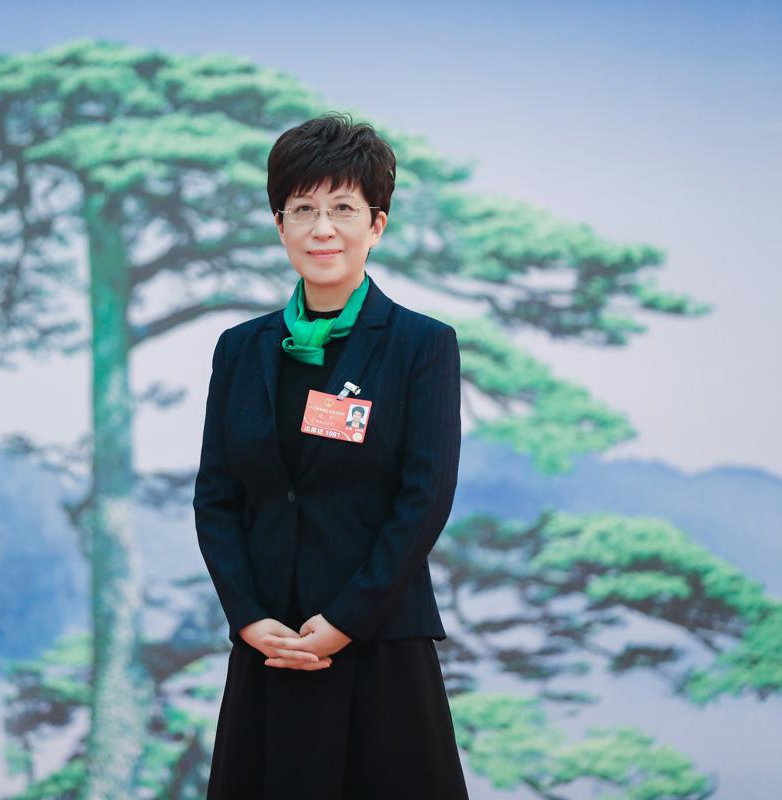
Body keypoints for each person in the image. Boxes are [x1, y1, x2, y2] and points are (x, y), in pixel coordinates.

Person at [194, 112, 468, 799]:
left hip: (378, 645)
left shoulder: (421, 345)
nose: (323, 228)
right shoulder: (240, 348)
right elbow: (217, 498)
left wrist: (344, 622)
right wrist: (249, 618)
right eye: (303, 209)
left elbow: (424, 499)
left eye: (344, 208)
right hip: (271, 645)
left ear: (377, 225)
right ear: (279, 224)